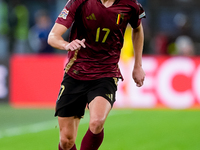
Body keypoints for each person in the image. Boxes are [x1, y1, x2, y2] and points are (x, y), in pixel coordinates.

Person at [47, 0, 146, 149]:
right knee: (67, 141)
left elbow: (137, 29)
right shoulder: (79, 2)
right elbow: (53, 36)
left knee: (97, 121)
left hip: (106, 73)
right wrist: (66, 45)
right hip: (76, 72)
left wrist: (137, 65)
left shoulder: (130, 5)